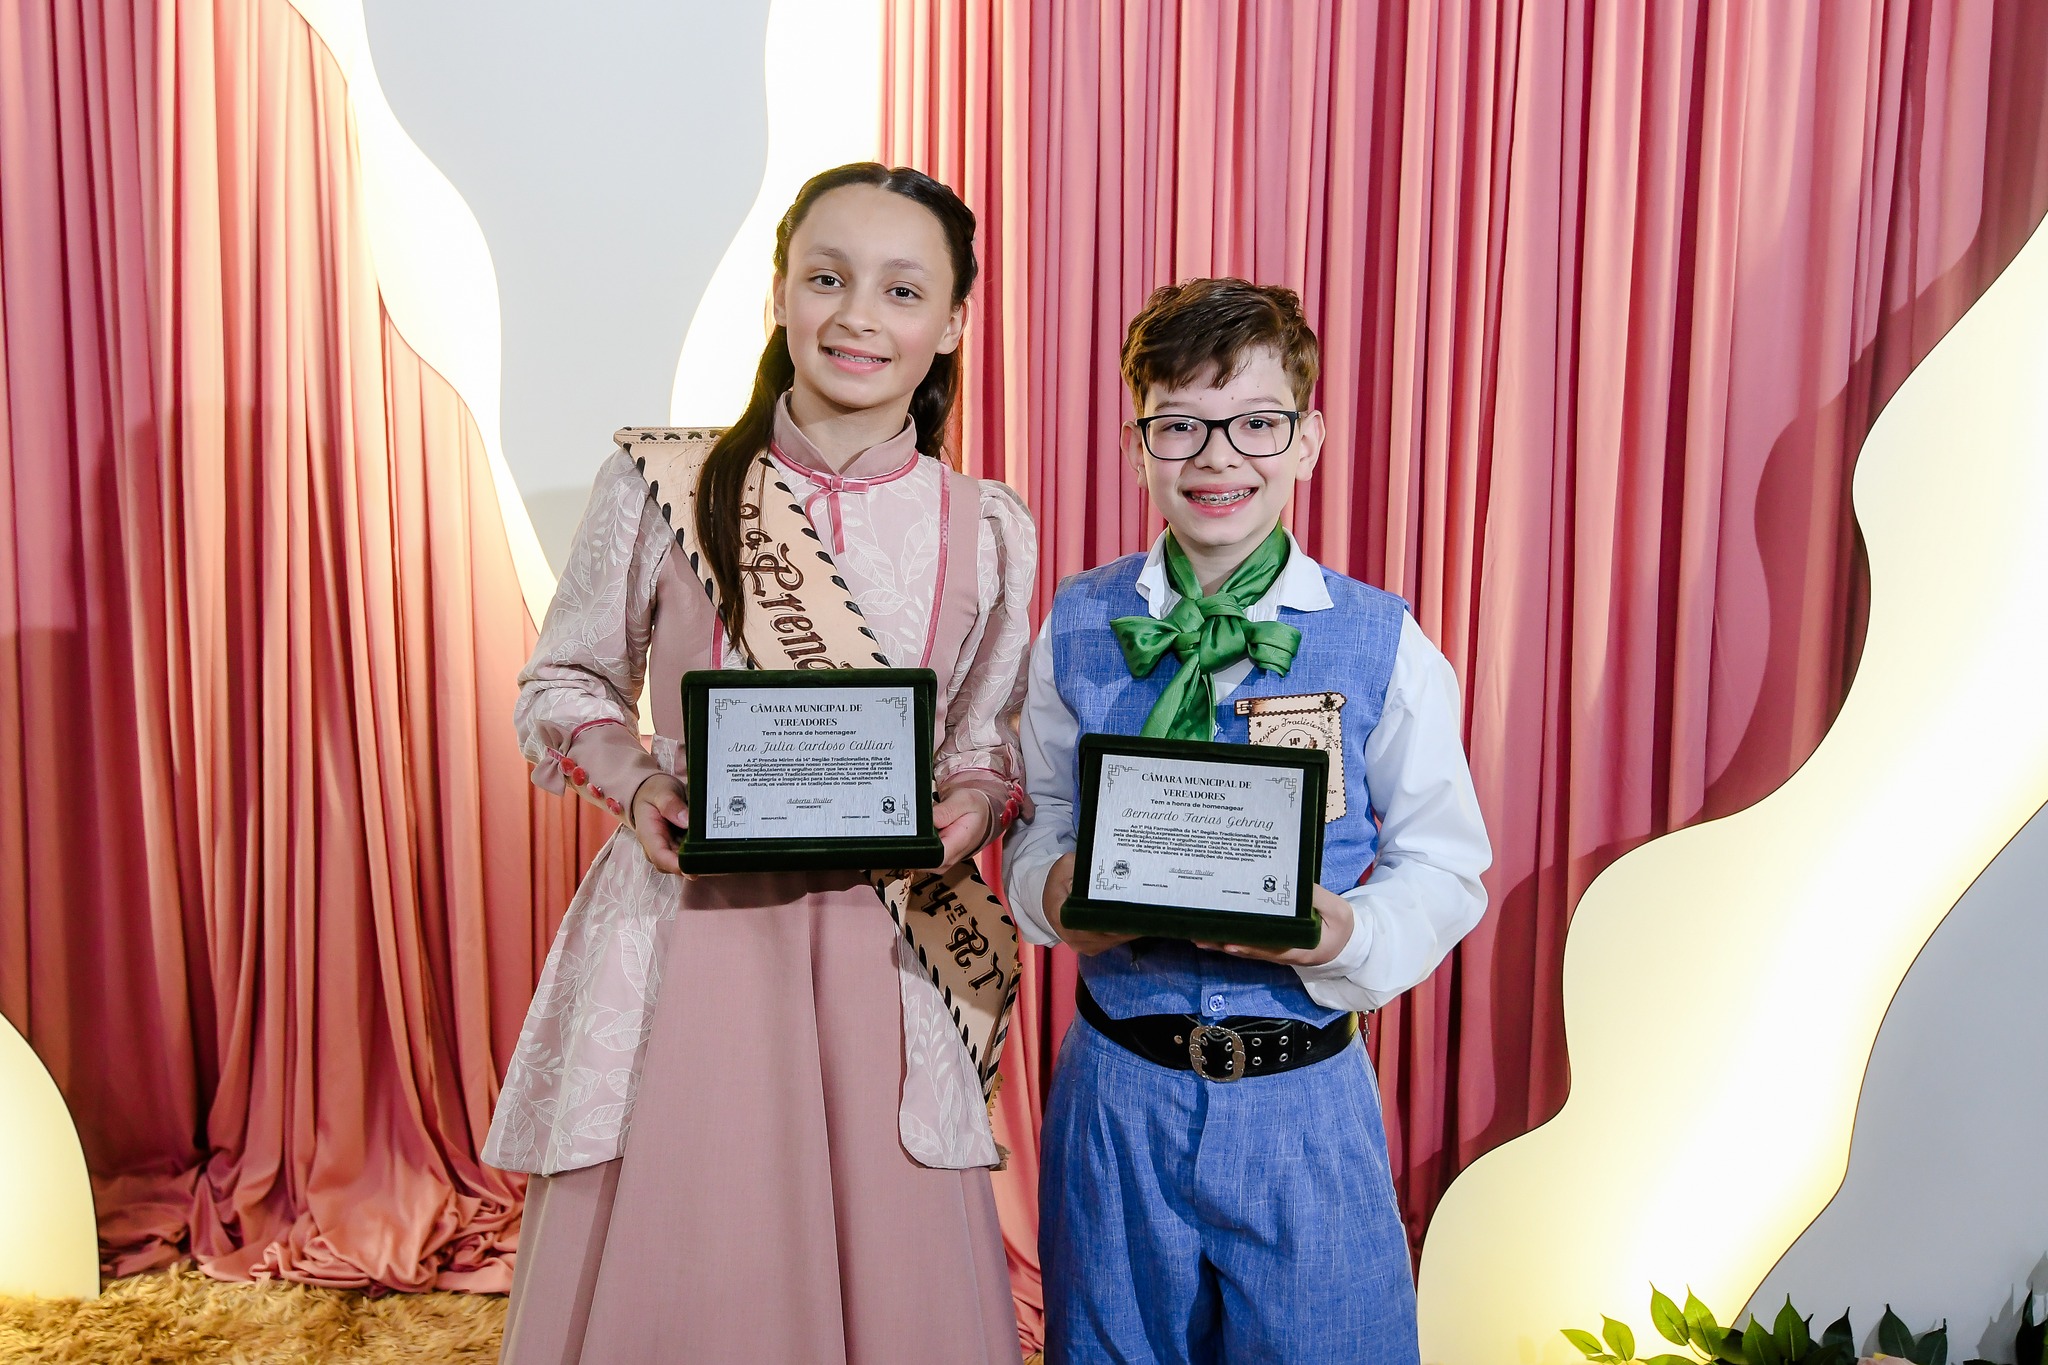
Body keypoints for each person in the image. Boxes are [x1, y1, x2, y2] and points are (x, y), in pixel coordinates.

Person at [486, 163, 1035, 1364]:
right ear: (780, 292)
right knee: (692, 1241)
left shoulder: (985, 525)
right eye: (826, 279)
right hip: (688, 927)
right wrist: (637, 784)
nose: (857, 317)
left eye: (902, 291)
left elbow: (985, 742)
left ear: (950, 325)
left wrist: (966, 809)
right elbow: (564, 682)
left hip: (885, 937)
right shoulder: (663, 483)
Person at [1003, 278, 1492, 1364]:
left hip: (1304, 1096)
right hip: (1117, 1098)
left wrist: (1339, 932)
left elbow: (1444, 864)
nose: (1216, 456)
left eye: (1256, 423)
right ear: (1136, 447)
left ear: (1306, 439)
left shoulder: (1382, 639)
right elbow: (1039, 823)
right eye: (1177, 425)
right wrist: (1059, 895)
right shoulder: (1075, 623)